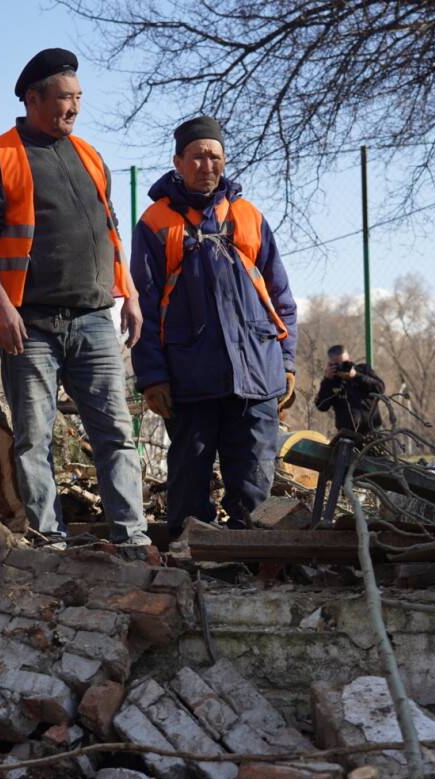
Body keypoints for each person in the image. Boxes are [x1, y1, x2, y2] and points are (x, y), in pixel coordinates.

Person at [0, 48, 150, 548]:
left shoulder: (90, 155)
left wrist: (129, 293)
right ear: (33, 99)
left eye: (78, 98)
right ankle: (50, 541)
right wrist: (0, 305)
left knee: (115, 432)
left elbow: (110, 232)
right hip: (31, 322)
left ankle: (132, 539)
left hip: (95, 318)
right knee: (34, 438)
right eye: (64, 98)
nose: (73, 108)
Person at [130, 117, 297, 536]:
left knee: (255, 483)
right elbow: (142, 309)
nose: (208, 165)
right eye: (198, 157)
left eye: (216, 157)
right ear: (178, 162)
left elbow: (281, 297)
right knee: (189, 481)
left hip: (257, 375)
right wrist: (152, 376)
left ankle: (256, 565)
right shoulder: (154, 224)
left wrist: (288, 361)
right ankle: (191, 563)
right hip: (189, 381)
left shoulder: (249, 217)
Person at [313, 345, 386, 436]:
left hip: (373, 431)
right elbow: (322, 406)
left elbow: (380, 388)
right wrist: (327, 381)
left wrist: (356, 376)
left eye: (345, 363)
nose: (343, 367)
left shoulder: (363, 370)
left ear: (349, 359)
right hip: (347, 435)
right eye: (337, 365)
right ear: (331, 364)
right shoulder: (331, 382)